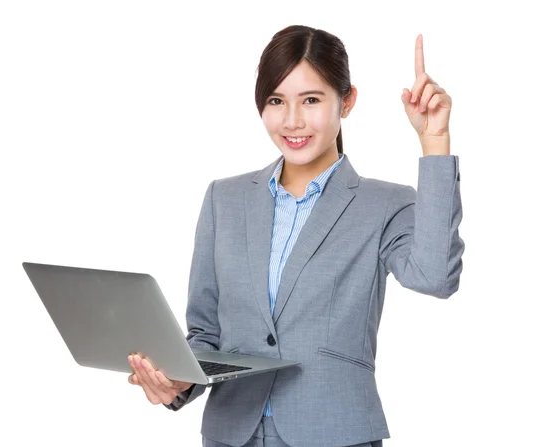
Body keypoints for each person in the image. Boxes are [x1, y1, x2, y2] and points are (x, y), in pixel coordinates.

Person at [126, 25, 464, 447]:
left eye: (311, 100)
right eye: (276, 101)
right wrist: (178, 380)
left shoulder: (385, 203)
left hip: (335, 433)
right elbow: (205, 334)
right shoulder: (223, 199)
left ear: (347, 101)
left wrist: (435, 143)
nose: (292, 121)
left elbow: (435, 277)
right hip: (232, 434)